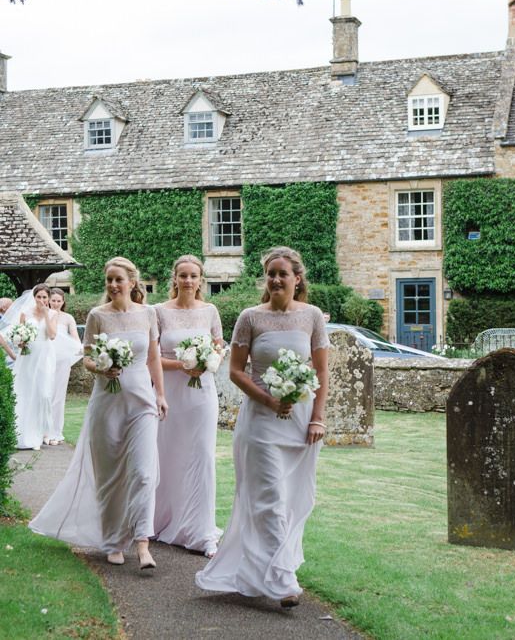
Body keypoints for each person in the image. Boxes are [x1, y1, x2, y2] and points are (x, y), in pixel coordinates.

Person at [195, 246, 329, 608]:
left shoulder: (312, 317)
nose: (276, 280)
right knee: (269, 497)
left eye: (283, 274)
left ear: (297, 279)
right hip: (260, 421)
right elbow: (236, 370)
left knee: (293, 498)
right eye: (271, 274)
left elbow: (321, 371)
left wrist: (317, 417)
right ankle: (284, 581)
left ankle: (259, 572)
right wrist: (269, 399)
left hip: (300, 421)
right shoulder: (250, 317)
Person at [30, 257, 168, 570]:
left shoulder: (148, 313)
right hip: (107, 403)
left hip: (142, 403)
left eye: (119, 279)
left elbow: (153, 358)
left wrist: (160, 394)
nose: (113, 285)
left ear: (132, 282)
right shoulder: (97, 315)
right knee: (110, 477)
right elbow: (88, 359)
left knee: (144, 473)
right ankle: (114, 540)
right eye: (109, 280)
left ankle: (143, 542)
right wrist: (102, 369)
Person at [153, 255, 224, 558]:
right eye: (183, 275)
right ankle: (163, 520)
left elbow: (219, 347)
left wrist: (207, 361)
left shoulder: (210, 311)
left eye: (193, 276)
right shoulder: (159, 311)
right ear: (175, 278)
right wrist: (183, 365)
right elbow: (152, 357)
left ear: (200, 280)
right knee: (168, 454)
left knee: (202, 456)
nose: (188, 281)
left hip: (202, 394)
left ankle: (201, 530)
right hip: (170, 392)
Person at [13, 284, 58, 450]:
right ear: (34, 297)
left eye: (44, 297)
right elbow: (19, 336)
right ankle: (22, 434)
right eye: (39, 297)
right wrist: (20, 342)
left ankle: (39, 434)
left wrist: (46, 314)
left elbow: (52, 335)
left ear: (48, 298)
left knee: (43, 393)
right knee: (24, 391)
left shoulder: (53, 314)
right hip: (28, 355)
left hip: (45, 356)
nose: (41, 300)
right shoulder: (25, 313)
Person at [46, 288, 83, 445]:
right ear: (49, 300)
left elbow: (75, 338)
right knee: (45, 394)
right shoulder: (44, 315)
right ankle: (43, 431)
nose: (55, 304)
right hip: (45, 359)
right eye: (53, 300)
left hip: (62, 361)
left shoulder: (68, 318)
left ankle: (55, 431)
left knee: (58, 396)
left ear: (63, 302)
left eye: (58, 301)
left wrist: (80, 348)